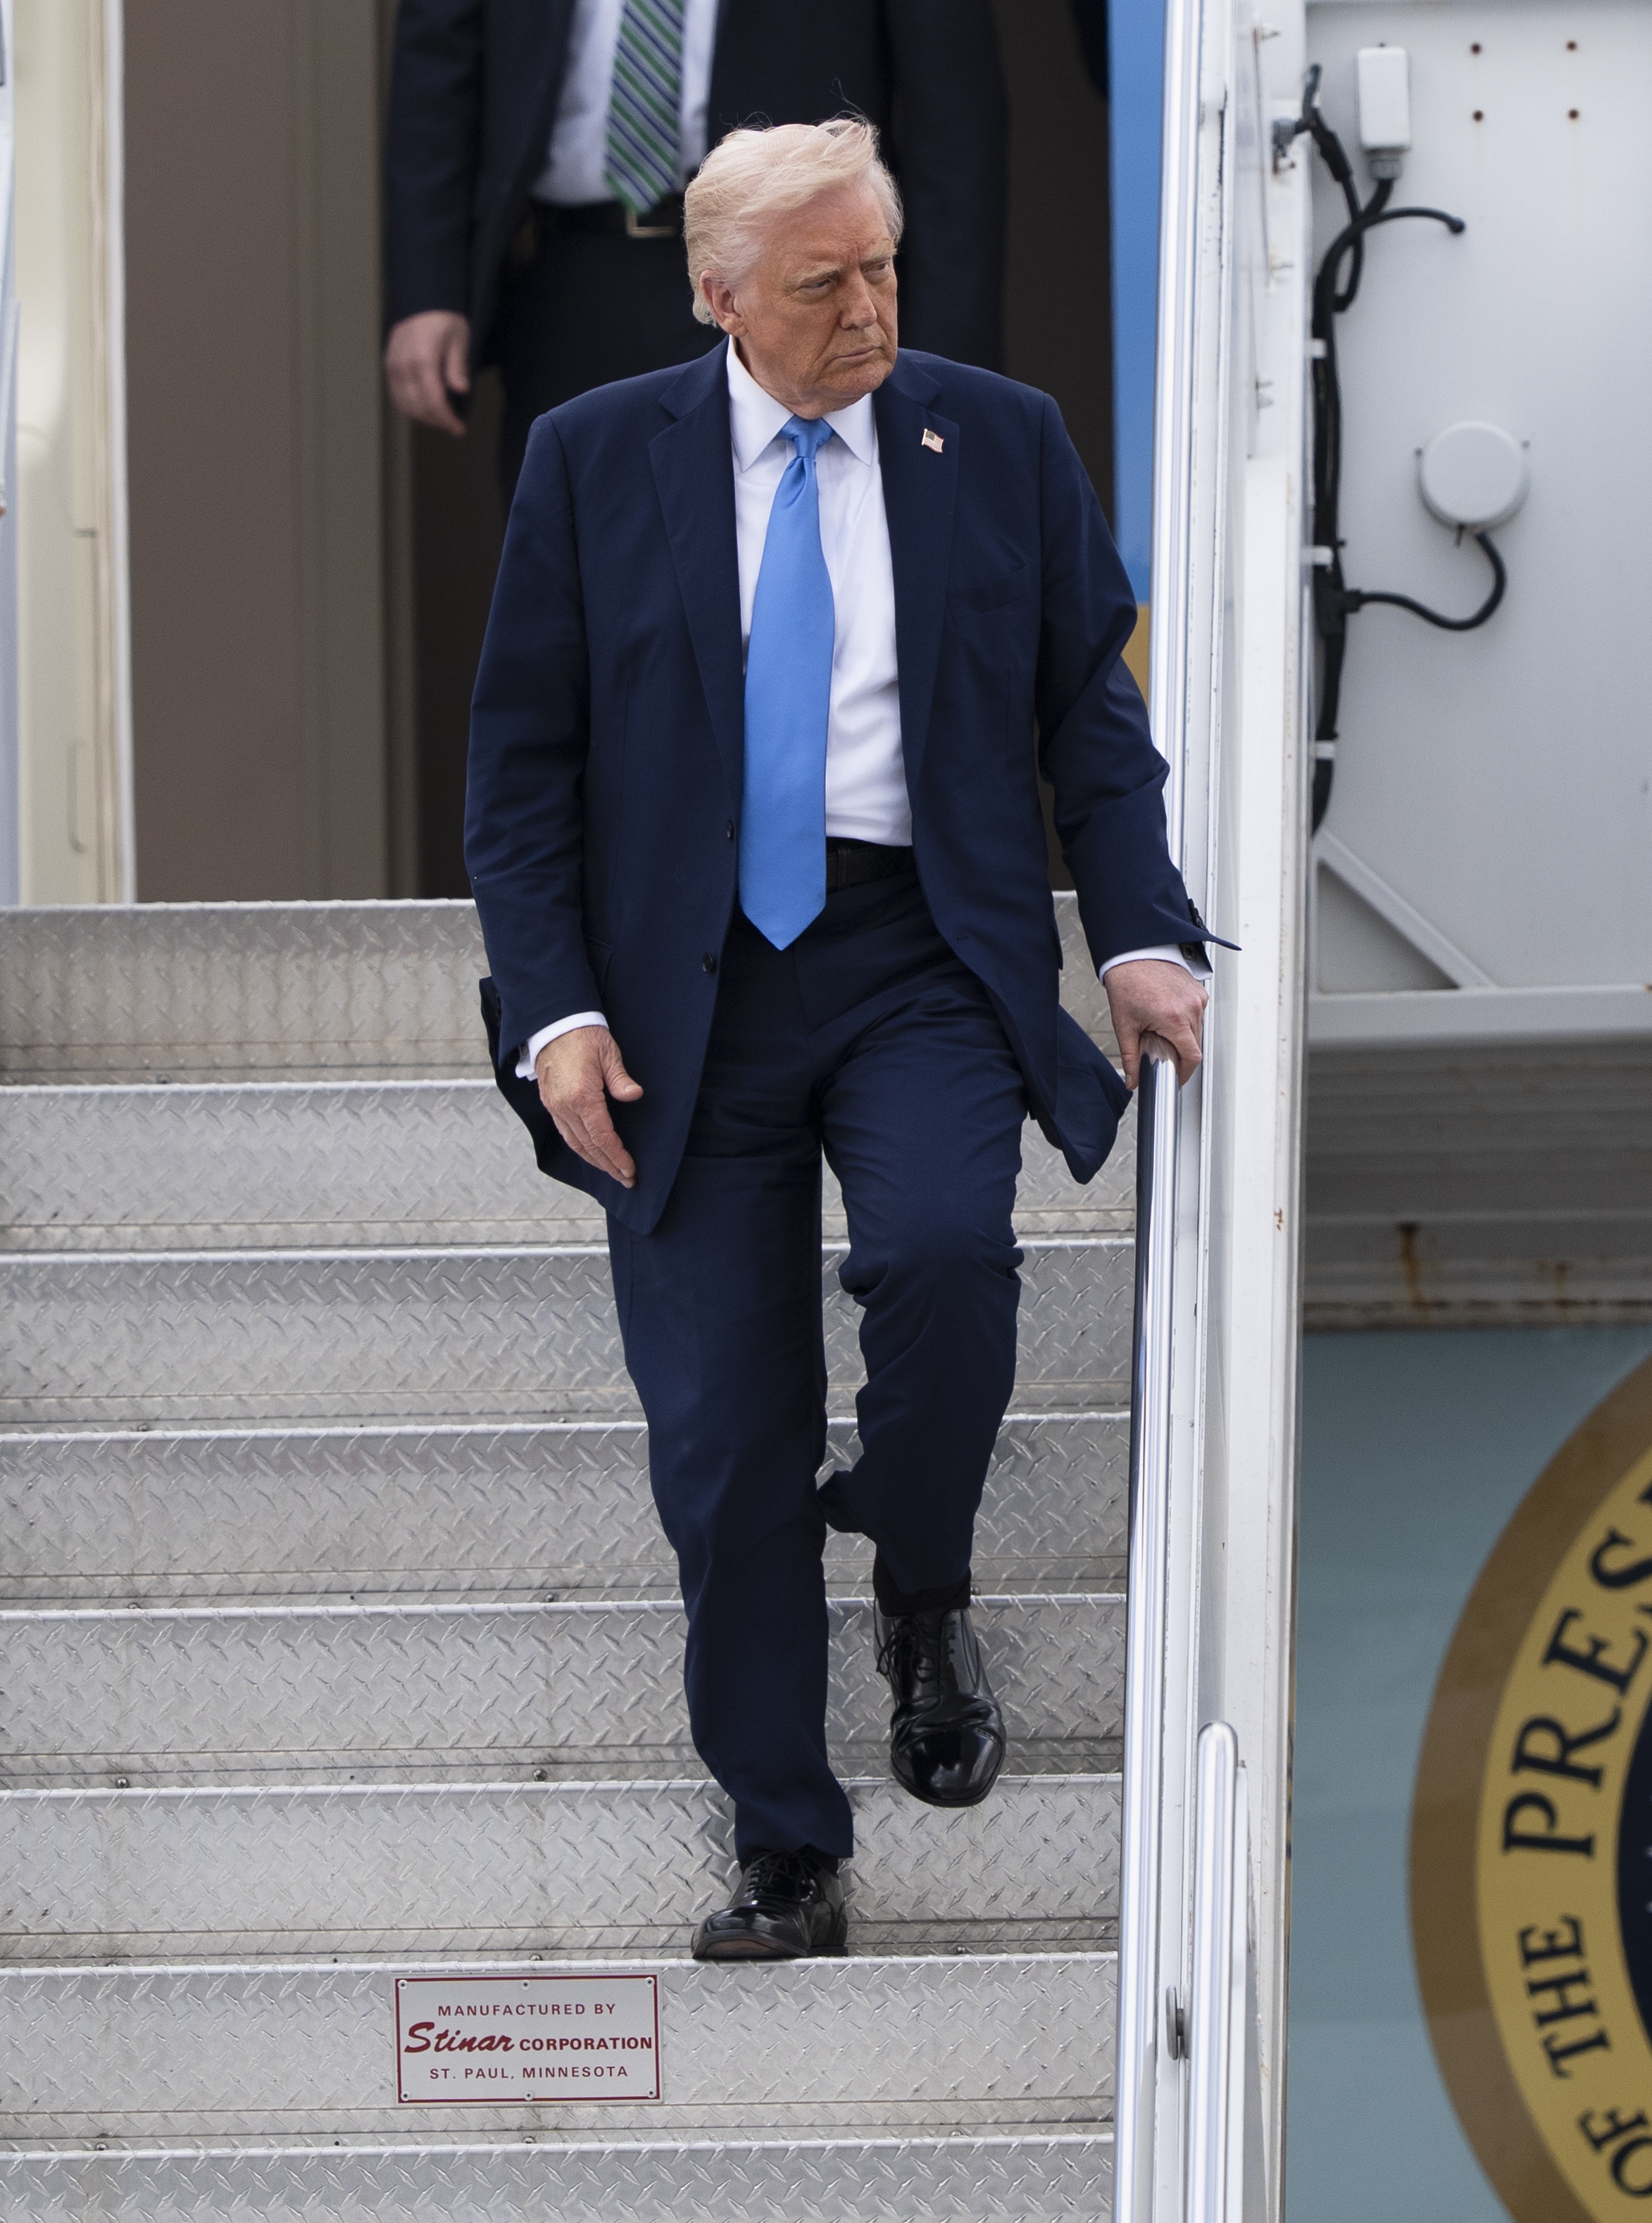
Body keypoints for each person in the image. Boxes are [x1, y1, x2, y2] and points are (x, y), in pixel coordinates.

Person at [463, 117, 1212, 1960]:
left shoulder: (1002, 436)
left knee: (949, 1256)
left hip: (911, 947)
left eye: (884, 266)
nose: (872, 307)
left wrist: (1138, 937)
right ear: (720, 297)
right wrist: (554, 1008)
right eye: (826, 284)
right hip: (675, 987)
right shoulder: (589, 461)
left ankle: (926, 1585)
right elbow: (521, 771)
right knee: (724, 1439)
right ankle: (784, 1833)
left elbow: (1087, 732)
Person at [382, 0, 1007, 491]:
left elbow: (952, 109)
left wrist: (944, 353)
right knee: (581, 573)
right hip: (571, 274)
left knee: (792, 551)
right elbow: (435, 69)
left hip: (795, 274)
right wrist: (428, 286)